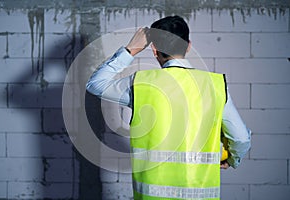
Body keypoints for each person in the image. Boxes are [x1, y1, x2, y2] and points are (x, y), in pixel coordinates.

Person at [87, 15, 251, 200]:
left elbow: (96, 84)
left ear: (154, 50)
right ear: (188, 45)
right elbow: (241, 138)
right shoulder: (215, 86)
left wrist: (130, 50)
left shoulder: (140, 83)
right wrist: (232, 158)